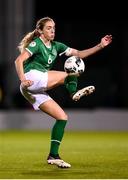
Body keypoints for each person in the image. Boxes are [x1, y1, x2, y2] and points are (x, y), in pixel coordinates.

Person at [14, 17, 112, 168]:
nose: (52, 30)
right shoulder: (36, 44)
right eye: (48, 28)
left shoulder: (57, 46)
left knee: (62, 117)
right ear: (40, 31)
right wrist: (22, 79)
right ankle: (73, 93)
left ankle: (53, 155)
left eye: (53, 28)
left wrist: (100, 45)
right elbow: (18, 61)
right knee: (71, 72)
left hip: (34, 90)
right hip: (31, 78)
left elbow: (78, 54)